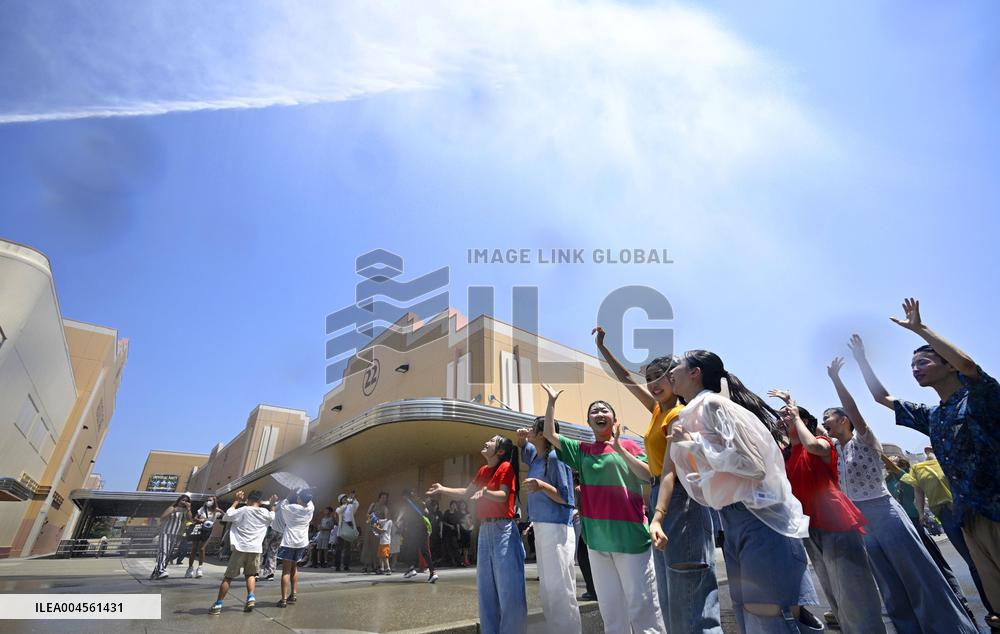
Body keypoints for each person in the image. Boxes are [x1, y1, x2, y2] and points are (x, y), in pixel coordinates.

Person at [849, 298, 1000, 630]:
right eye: (912, 365)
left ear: (948, 366)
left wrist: (920, 330)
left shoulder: (980, 396)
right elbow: (881, 398)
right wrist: (861, 360)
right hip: (969, 518)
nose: (916, 369)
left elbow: (969, 364)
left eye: (924, 361)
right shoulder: (935, 416)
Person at [666, 351, 821, 633]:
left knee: (770, 616)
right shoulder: (692, 413)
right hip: (733, 519)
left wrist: (695, 446)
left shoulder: (713, 405)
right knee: (750, 617)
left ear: (695, 372)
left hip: (760, 518)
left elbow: (753, 466)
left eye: (677, 365)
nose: (670, 372)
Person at [824, 355, 976, 634]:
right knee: (889, 586)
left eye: (829, 419)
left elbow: (853, 409)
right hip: (862, 522)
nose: (825, 423)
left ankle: (951, 629)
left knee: (918, 577)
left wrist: (836, 379)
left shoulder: (864, 438)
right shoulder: (836, 449)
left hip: (886, 513)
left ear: (844, 421)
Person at [596, 325, 722, 634]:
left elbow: (673, 471)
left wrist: (661, 512)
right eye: (649, 377)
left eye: (661, 376)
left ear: (675, 378)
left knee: (691, 595)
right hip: (659, 496)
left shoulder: (678, 414)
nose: (653, 383)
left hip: (681, 499)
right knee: (671, 598)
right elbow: (626, 380)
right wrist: (603, 347)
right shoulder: (657, 410)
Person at [541, 383, 665, 634]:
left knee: (643, 607)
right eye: (594, 412)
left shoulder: (630, 447)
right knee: (611, 611)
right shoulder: (582, 450)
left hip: (631, 539)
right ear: (588, 421)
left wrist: (619, 448)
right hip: (597, 540)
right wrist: (552, 402)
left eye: (604, 410)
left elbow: (647, 475)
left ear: (614, 419)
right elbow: (550, 435)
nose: (599, 414)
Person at [768, 389, 885, 634]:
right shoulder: (786, 454)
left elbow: (810, 443)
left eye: (787, 416)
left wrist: (794, 410)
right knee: (832, 588)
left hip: (836, 520)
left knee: (853, 588)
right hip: (809, 526)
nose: (782, 420)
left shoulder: (822, 443)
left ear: (805, 421)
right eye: (781, 417)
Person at [428, 433, 525, 634]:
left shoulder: (505, 467)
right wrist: (442, 488)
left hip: (503, 530)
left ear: (499, 451)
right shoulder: (482, 470)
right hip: (485, 531)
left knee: (509, 588)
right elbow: (467, 491)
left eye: (492, 441)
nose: (487, 441)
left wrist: (486, 493)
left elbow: (503, 495)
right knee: (486, 588)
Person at [904, 447, 995, 617]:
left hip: (966, 509)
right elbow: (918, 493)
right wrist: (921, 514)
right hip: (946, 515)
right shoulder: (917, 469)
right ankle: (992, 608)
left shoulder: (950, 460)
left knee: (988, 554)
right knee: (972, 562)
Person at [884, 454, 976, 621]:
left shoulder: (908, 475)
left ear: (902, 463)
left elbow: (897, 470)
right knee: (919, 564)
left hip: (915, 523)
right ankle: (936, 598)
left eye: (893, 457)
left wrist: (879, 452)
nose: (889, 459)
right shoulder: (888, 479)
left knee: (936, 560)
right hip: (901, 525)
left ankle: (958, 597)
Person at [516, 415, 580, 633]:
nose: (528, 430)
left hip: (556, 528)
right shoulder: (537, 456)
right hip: (542, 527)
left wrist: (542, 485)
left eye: (532, 428)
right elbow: (523, 449)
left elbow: (566, 498)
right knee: (548, 589)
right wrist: (521, 440)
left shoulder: (555, 457)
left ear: (542, 434)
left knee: (560, 589)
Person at [209, 490, 277, 615]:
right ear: (260, 502)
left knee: (228, 577)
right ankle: (251, 597)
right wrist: (272, 504)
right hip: (255, 549)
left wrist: (236, 501)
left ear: (248, 500)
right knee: (250, 574)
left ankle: (218, 604)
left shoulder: (244, 509)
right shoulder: (264, 512)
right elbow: (272, 515)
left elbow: (227, 515)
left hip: (240, 547)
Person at [276, 489, 315, 608]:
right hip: (302, 542)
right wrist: (305, 491)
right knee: (294, 568)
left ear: (299, 499)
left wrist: (290, 493)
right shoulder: (310, 509)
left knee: (286, 571)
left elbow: (282, 504)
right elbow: (310, 501)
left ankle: (283, 599)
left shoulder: (292, 508)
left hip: (289, 541)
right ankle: (293, 594)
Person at [399, 489, 437, 582]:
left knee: (409, 548)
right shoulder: (421, 503)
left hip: (414, 529)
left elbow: (404, 517)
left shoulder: (407, 504)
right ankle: (433, 573)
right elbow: (427, 513)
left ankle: (411, 569)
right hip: (423, 528)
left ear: (405, 496)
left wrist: (400, 522)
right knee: (424, 551)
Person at [152, 493, 191, 580]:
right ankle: (161, 570)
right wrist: (174, 511)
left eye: (186, 501)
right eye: (183, 500)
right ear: (179, 500)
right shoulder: (172, 508)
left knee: (168, 553)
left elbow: (189, 519)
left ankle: (157, 571)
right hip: (166, 532)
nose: (184, 502)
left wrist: (189, 509)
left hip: (176, 534)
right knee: (164, 551)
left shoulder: (185, 511)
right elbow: (162, 517)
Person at [186, 496, 222, 579]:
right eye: (207, 500)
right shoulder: (202, 509)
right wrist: (200, 520)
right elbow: (194, 518)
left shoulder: (216, 511)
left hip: (208, 530)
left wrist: (220, 511)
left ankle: (200, 568)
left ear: (214, 501)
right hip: (199, 528)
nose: (208, 501)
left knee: (202, 548)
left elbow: (225, 517)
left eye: (210, 500)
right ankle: (190, 568)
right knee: (194, 548)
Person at [260, 492, 293, 581]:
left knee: (262, 550)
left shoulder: (281, 503)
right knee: (273, 553)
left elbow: (272, 511)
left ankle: (255, 572)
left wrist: (272, 502)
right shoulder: (290, 508)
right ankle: (270, 573)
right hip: (281, 532)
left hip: (272, 529)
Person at [362, 492, 389, 573]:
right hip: (370, 527)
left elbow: (387, 519)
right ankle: (365, 565)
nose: (384, 499)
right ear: (379, 498)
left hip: (377, 528)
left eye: (385, 498)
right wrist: (372, 517)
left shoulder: (385, 508)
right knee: (367, 545)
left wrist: (380, 522)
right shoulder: (373, 505)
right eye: (383, 497)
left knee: (376, 547)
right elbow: (367, 514)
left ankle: (375, 565)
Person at [334, 492, 359, 571]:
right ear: (340, 500)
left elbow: (356, 504)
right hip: (341, 528)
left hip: (349, 527)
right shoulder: (339, 508)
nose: (345, 499)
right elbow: (339, 511)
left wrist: (353, 498)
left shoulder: (350, 506)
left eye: (346, 498)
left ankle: (346, 565)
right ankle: (337, 566)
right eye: (343, 498)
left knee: (347, 548)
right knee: (339, 548)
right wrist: (347, 504)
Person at [441, 500, 462, 567]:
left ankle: (459, 562)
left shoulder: (456, 513)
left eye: (455, 505)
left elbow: (458, 523)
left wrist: (459, 533)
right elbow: (443, 521)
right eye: (453, 504)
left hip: (454, 532)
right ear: (450, 505)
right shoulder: (447, 512)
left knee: (455, 547)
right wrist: (449, 525)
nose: (454, 506)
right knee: (448, 547)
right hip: (447, 532)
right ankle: (452, 562)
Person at [372, 508, 393, 574]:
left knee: (385, 556)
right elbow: (378, 521)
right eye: (386, 513)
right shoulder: (385, 520)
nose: (387, 514)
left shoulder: (389, 522)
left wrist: (376, 527)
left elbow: (382, 530)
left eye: (388, 513)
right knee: (380, 556)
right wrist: (374, 518)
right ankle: (382, 569)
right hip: (382, 541)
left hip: (386, 541)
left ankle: (388, 569)